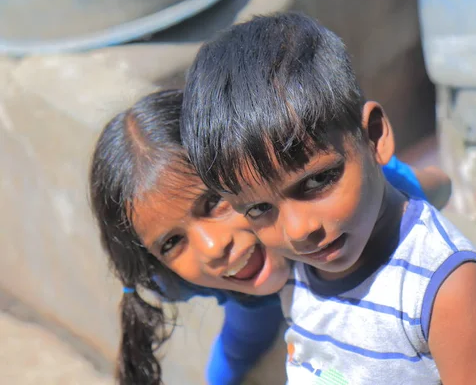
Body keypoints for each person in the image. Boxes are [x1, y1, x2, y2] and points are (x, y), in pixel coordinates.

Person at [181, 12, 476, 384]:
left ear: (374, 137)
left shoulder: (443, 288)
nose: (298, 229)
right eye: (259, 208)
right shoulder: (296, 263)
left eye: (318, 180)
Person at [89, 89, 451, 384]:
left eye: (214, 201)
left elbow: (436, 187)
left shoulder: (375, 204)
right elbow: (239, 344)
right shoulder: (185, 279)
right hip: (254, 297)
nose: (213, 248)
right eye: (171, 242)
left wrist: (409, 186)